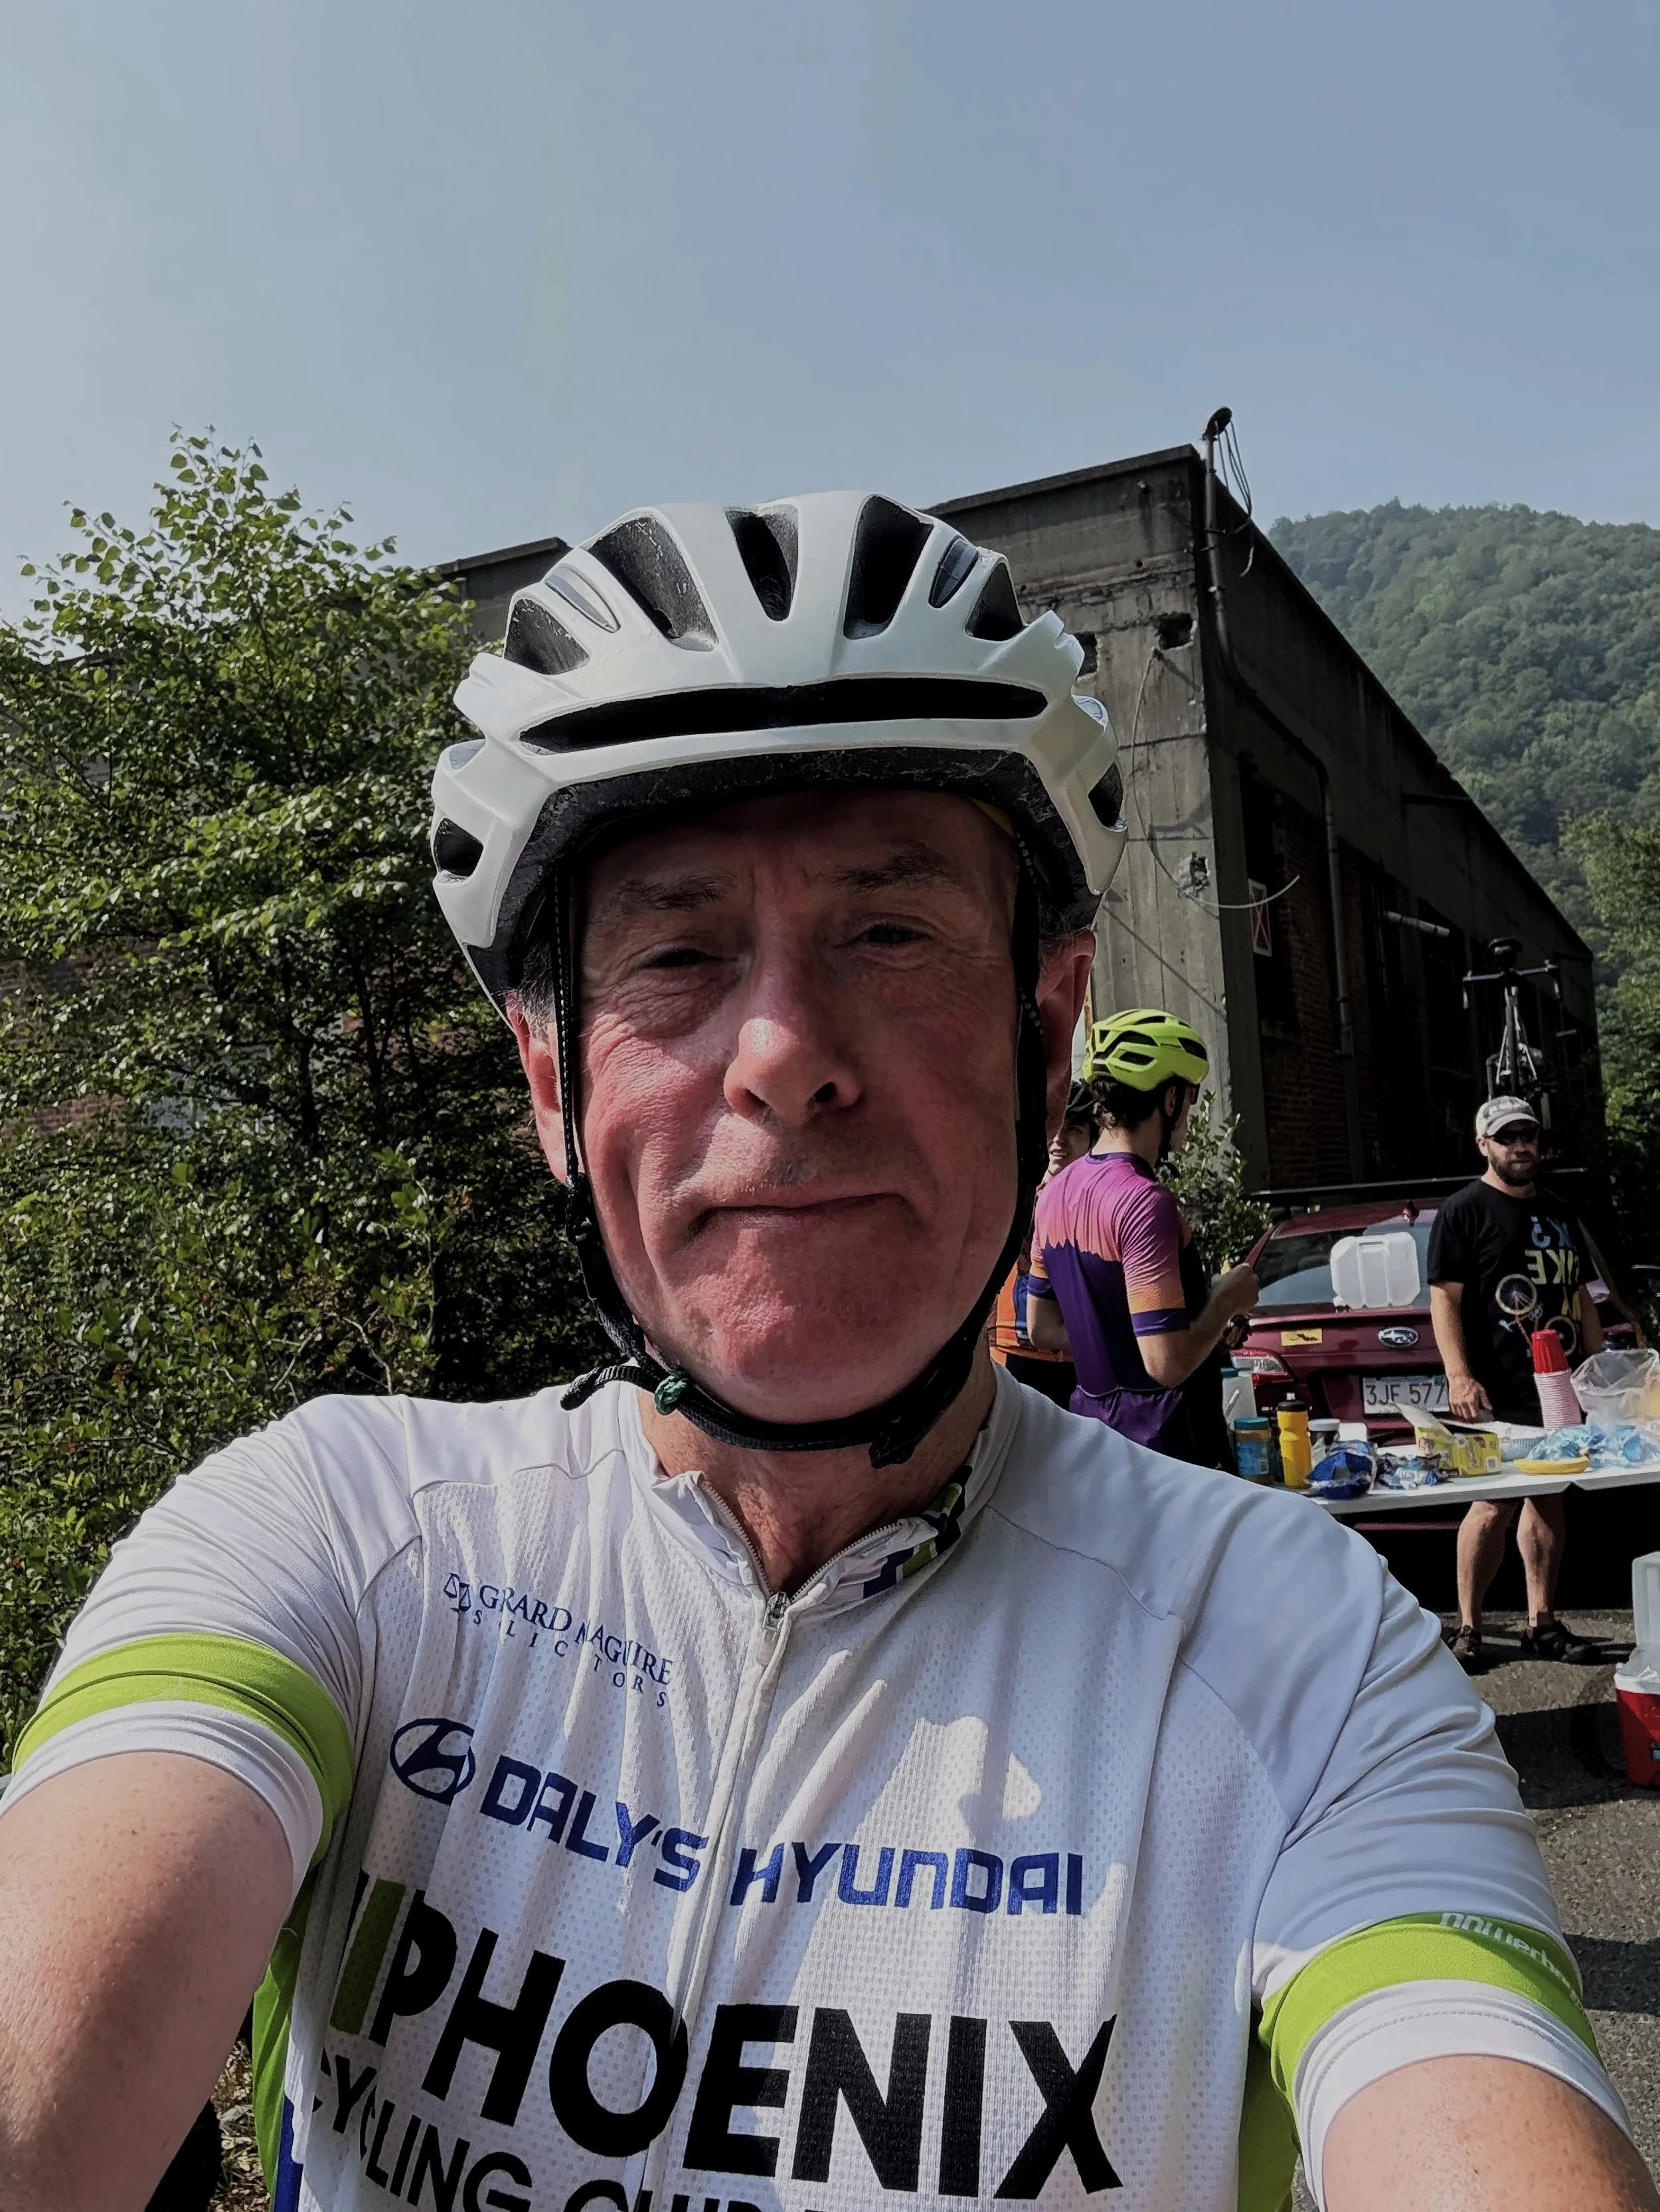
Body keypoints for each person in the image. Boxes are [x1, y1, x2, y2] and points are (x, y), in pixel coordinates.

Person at [0, 494, 1647, 2212]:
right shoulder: (346, 1535)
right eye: (676, 951)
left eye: (888, 930)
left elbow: (1479, 2122)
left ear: (1047, 1020)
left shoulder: (1299, 1660)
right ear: (552, 1088)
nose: (782, 1055)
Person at [1025, 1008, 1260, 1467]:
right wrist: (1227, 1298)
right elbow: (1167, 1365)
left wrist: (1180, 1325)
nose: (1189, 1113)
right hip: (1169, 1455)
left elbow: (1042, 1329)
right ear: (1170, 1099)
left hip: (1098, 1444)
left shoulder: (1052, 1196)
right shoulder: (1145, 1202)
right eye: (1190, 1097)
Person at [1428, 1095, 1605, 1670]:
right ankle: (1470, 1628)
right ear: (1484, 1145)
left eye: (1528, 1134)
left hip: (1557, 1390)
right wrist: (1459, 1375)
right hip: (1493, 1388)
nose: (1521, 1145)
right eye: (1507, 1137)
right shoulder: (1464, 1210)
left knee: (1550, 1499)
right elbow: (1444, 1301)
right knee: (1492, 1504)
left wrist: (1600, 1373)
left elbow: (1578, 1296)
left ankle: (1542, 1623)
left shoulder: (1558, 1209)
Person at [989, 1079, 1097, 1406]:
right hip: (1012, 1350)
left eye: (1074, 1130)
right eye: (1056, 1128)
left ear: (1093, 1139)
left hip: (1081, 1360)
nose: (1060, 1141)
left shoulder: (1102, 1203)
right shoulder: (1013, 1193)